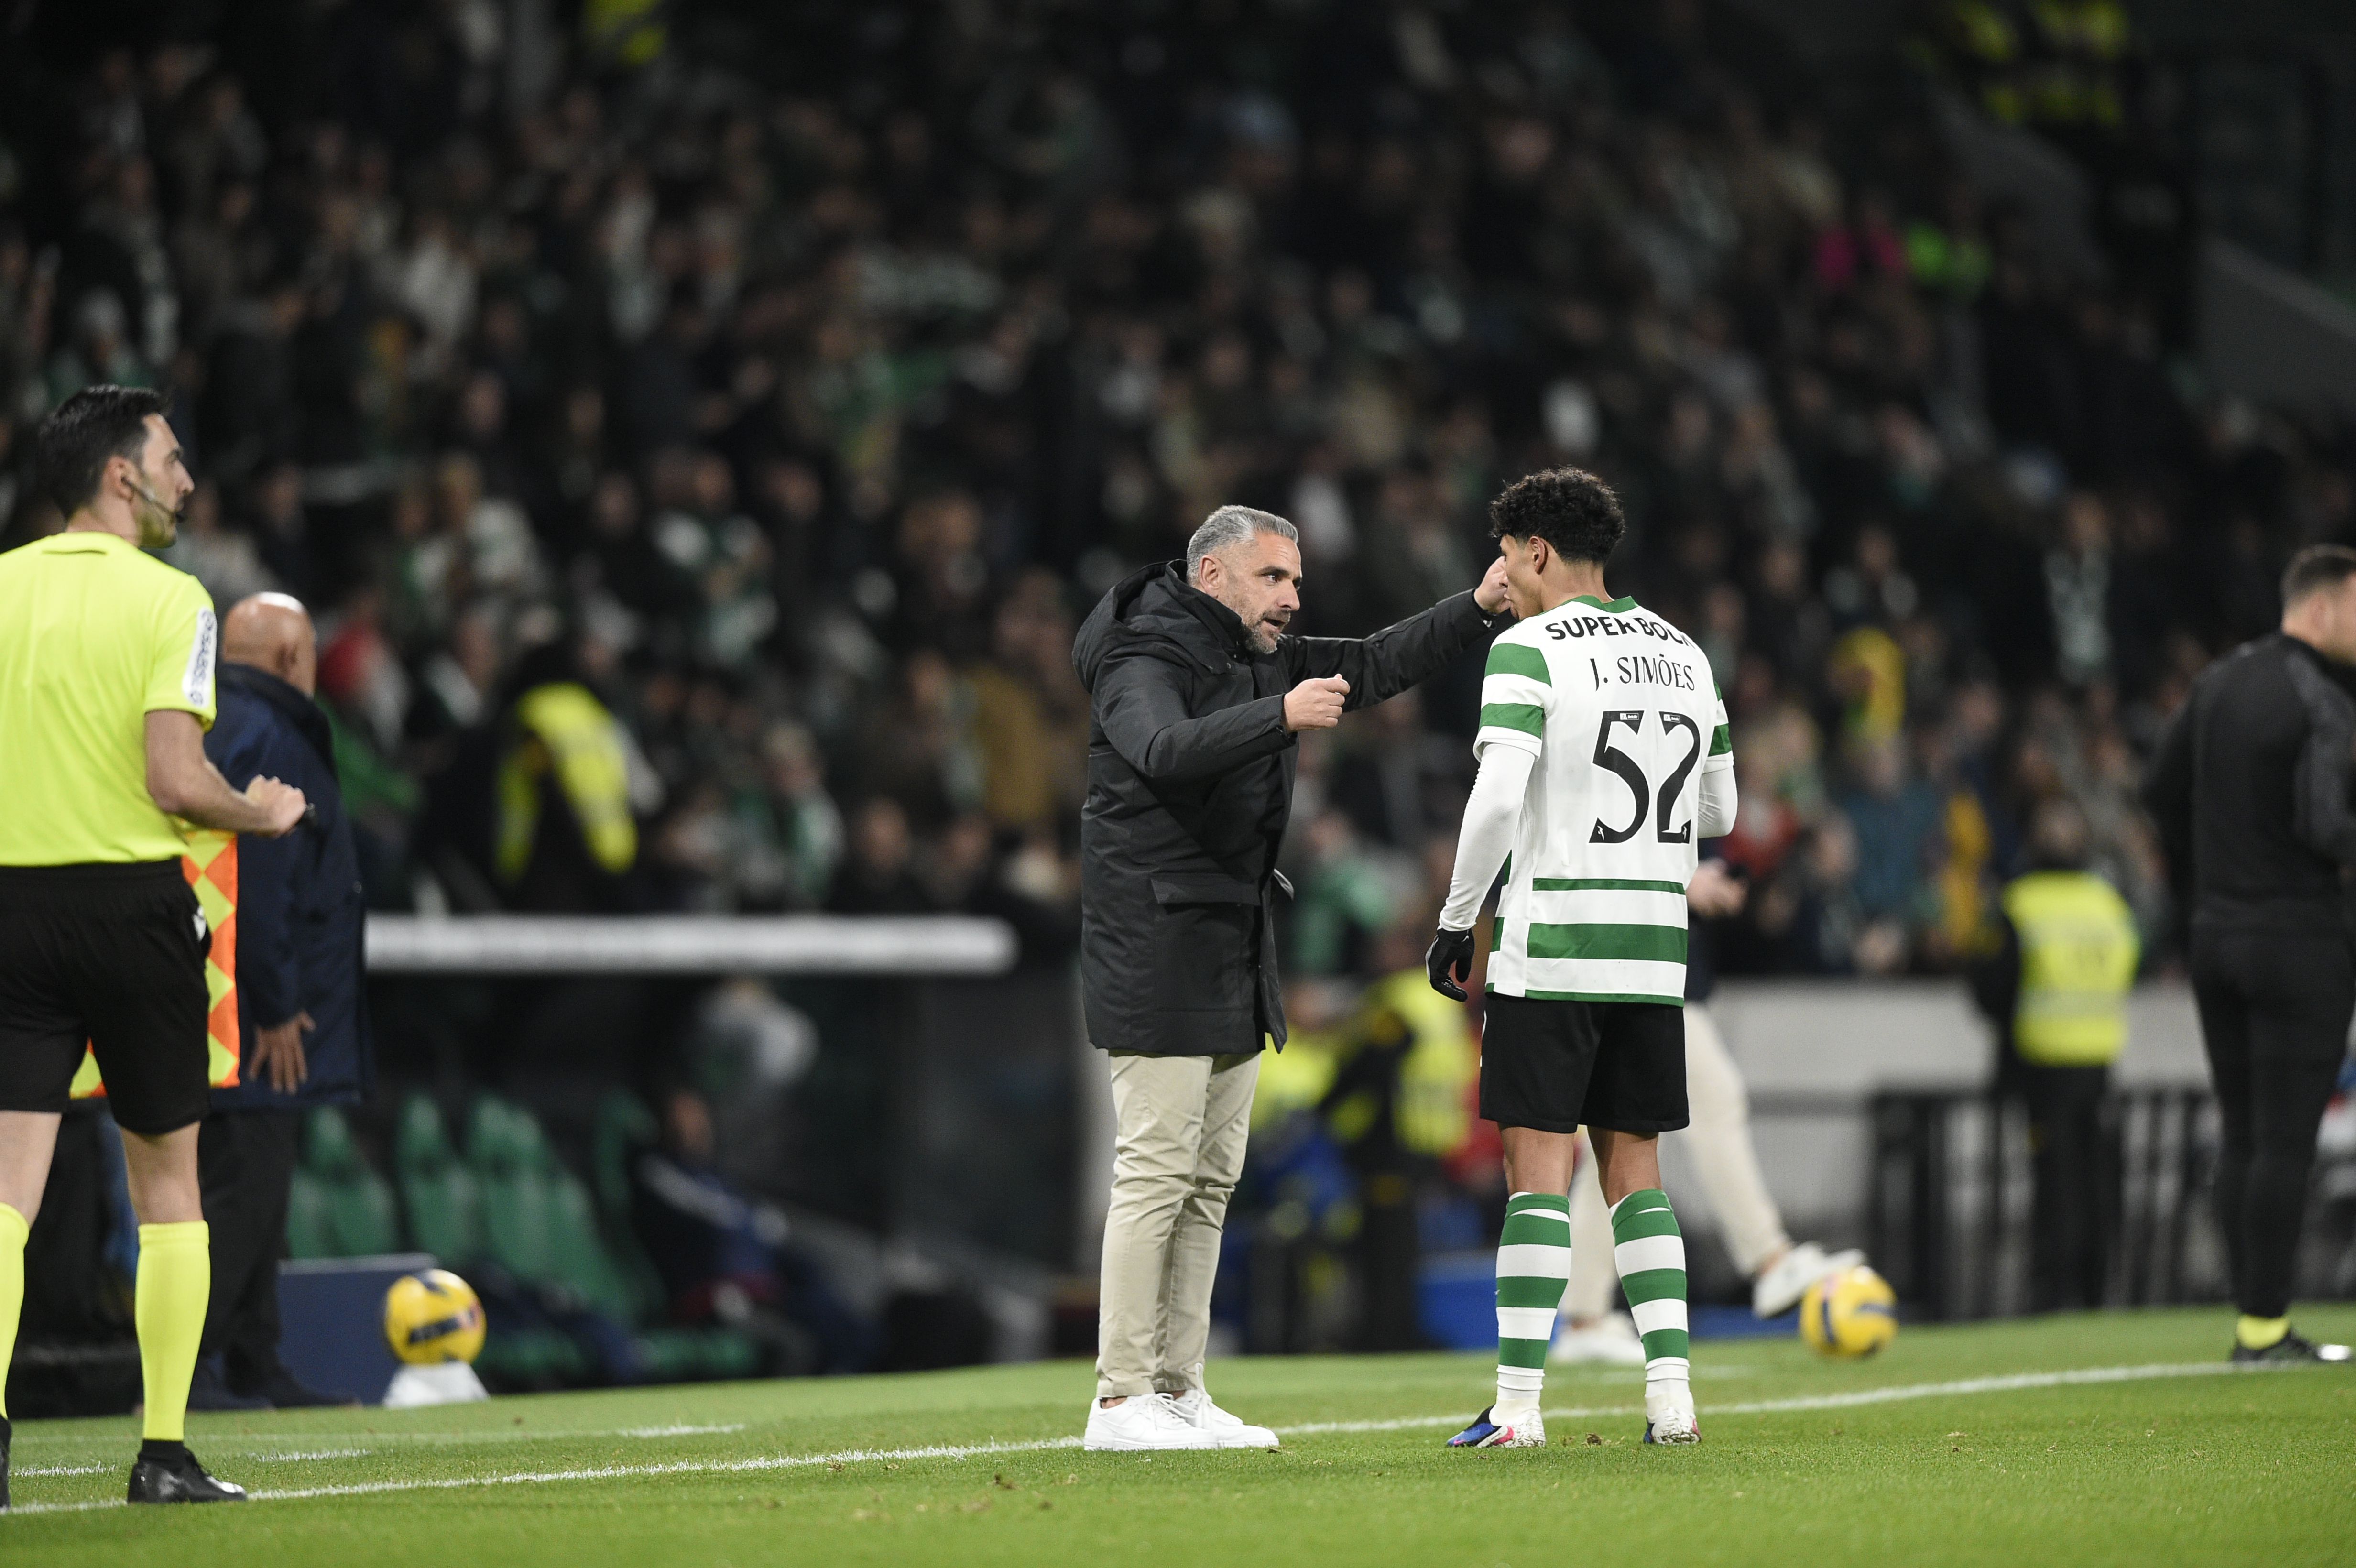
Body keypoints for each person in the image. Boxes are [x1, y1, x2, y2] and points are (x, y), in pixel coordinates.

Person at [1070, 503, 1512, 1452]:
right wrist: (1278, 714)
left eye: (1295, 581)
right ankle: (1117, 1398)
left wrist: (1475, 605)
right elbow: (1160, 749)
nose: (1292, 598)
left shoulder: (1256, 654)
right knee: (1154, 1170)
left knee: (1209, 1176)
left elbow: (1379, 659)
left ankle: (1177, 1386)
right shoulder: (1140, 654)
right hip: (1154, 939)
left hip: (1229, 935)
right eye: (1274, 578)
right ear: (1212, 574)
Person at [0, 386, 307, 1507]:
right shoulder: (174, 599)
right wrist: (259, 811)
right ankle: (164, 1451)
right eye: (172, 460)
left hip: (10, 908)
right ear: (121, 476)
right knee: (169, 1186)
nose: (187, 479)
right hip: (130, 908)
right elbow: (173, 778)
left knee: (4, 1190)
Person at [1427, 467, 1733, 1449]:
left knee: (1537, 1171)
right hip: (1651, 951)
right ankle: (1673, 1397)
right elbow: (1719, 811)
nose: (1499, 576)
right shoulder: (1686, 653)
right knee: (1635, 1173)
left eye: (1507, 557)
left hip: (1552, 941)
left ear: (1539, 553)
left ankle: (1518, 1406)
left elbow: (1494, 797)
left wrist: (1455, 916)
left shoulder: (1528, 648)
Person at [2141, 544, 2356, 1364]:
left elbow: (2158, 791)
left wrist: (2206, 876)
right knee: (2284, 1141)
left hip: (2215, 937)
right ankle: (2263, 1329)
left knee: (2240, 1133)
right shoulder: (2322, 695)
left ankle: (2253, 1320)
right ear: (2326, 604)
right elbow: (2327, 823)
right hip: (2296, 938)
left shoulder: (2218, 680)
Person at [1550, 856, 1862, 1366]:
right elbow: (1597, 836)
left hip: (1631, 963)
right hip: (1632, 961)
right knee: (1713, 1099)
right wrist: (1673, 877)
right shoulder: (1613, 780)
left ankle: (1584, 1315)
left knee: (1616, 1140)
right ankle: (1768, 1259)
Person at [189, 592, 371, 1410]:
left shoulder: (229, 722)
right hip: (258, 1013)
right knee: (244, 1189)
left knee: (260, 1183)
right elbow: (259, 881)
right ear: (296, 661)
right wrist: (275, 1003)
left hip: (232, 999)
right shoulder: (272, 736)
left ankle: (255, 1360)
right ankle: (176, 1376)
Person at [1967, 797, 2138, 1312]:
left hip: (2040, 1065)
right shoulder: (2107, 902)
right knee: (2097, 1183)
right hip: (2099, 1062)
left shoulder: (2020, 902)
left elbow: (1989, 987)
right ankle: (2096, 1290)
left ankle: (2052, 1290)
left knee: (2053, 1186)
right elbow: (2132, 961)